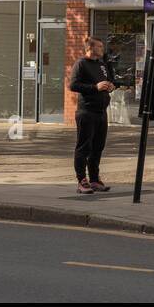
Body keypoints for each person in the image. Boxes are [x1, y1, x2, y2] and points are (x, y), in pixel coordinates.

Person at [69, 36, 116, 195]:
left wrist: (110, 86)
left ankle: (94, 179)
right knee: (84, 147)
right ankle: (82, 180)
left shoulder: (102, 64)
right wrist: (95, 87)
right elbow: (73, 85)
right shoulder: (81, 64)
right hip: (86, 112)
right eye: (100, 46)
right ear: (90, 48)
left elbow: (109, 80)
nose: (102, 49)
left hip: (101, 112)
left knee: (98, 147)